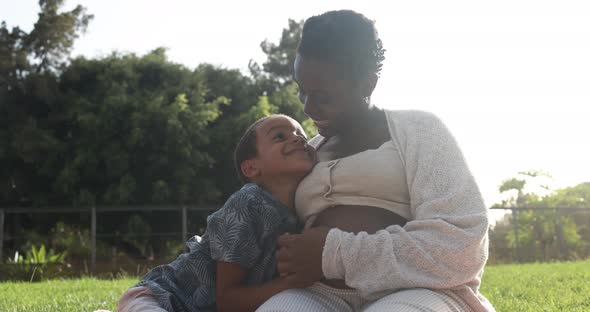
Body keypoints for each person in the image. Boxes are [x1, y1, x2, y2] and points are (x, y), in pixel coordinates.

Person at [256, 10, 496, 312]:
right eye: (302, 91)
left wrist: (335, 255)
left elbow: (460, 245)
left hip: (417, 291)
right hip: (318, 294)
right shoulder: (305, 153)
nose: (307, 107)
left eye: (322, 96)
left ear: (367, 84)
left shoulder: (420, 130)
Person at [117, 114, 317, 312]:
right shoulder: (247, 204)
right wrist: (289, 284)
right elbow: (227, 300)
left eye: (303, 136)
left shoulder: (304, 210)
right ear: (251, 167)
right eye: (279, 136)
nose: (298, 138)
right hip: (162, 298)